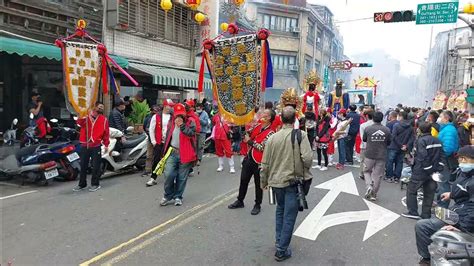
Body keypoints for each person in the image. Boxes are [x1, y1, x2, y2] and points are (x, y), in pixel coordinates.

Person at [260, 106, 313, 262]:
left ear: (281, 119)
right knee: (289, 216)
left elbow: (264, 165)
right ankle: (281, 250)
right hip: (293, 182)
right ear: (295, 118)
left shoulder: (272, 138)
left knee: (280, 210)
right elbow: (308, 159)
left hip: (276, 183)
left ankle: (279, 241)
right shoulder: (301, 135)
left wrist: (264, 182)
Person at [414, 145, 474, 266]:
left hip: (466, 220)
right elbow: (463, 190)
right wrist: (451, 194)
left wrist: (462, 228)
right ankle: (427, 259)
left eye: (466, 159)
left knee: (424, 226)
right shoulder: (462, 172)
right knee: (425, 222)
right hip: (456, 212)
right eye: (460, 158)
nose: (462, 162)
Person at [228, 109, 275, 215]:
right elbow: (247, 134)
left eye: (265, 114)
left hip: (259, 162)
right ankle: (240, 200)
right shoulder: (257, 126)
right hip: (249, 158)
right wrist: (242, 123)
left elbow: (262, 148)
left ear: (269, 118)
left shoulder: (271, 133)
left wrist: (249, 141)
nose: (262, 115)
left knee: (259, 185)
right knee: (243, 180)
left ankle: (257, 204)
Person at [402, 122, 443, 220]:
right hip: (434, 171)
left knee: (411, 190)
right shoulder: (437, 140)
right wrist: (437, 169)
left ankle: (413, 212)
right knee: (429, 193)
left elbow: (422, 157)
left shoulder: (421, 141)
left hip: (421, 171)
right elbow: (441, 156)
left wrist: (428, 169)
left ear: (420, 130)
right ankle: (426, 214)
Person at [160, 103, 197, 206]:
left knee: (182, 177)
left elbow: (191, 134)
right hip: (172, 152)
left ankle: (178, 197)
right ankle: (168, 195)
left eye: (182, 114)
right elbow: (167, 137)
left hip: (186, 153)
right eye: (178, 114)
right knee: (168, 174)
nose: (180, 116)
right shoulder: (171, 122)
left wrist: (182, 125)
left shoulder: (190, 121)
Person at [73, 102, 110, 192]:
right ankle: (82, 184)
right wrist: (81, 114)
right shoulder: (86, 116)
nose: (101, 109)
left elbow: (106, 133)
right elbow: (79, 122)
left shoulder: (104, 119)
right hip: (85, 144)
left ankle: (95, 184)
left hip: (96, 145)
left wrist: (106, 144)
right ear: (95, 107)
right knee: (83, 165)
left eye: (102, 107)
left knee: (96, 166)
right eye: (100, 107)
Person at [362, 112, 391, 201]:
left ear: (373, 119)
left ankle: (369, 186)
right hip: (381, 155)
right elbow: (389, 142)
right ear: (382, 119)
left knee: (366, 171)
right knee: (378, 175)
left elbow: (364, 139)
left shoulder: (368, 129)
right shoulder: (387, 130)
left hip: (369, 154)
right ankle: (374, 194)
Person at [146, 99, 174, 187]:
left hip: (169, 142)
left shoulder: (173, 117)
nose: (171, 108)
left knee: (169, 161)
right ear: (165, 106)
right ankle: (153, 178)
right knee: (156, 160)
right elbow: (151, 129)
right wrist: (153, 141)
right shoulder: (156, 116)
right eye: (170, 106)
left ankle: (170, 179)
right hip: (158, 142)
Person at [436, 110, 460, 208]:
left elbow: (448, 148)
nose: (439, 119)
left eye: (441, 116)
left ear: (446, 118)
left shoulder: (449, 130)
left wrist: (439, 157)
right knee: (440, 183)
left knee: (443, 184)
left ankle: (442, 207)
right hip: (443, 160)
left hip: (445, 161)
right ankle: (440, 204)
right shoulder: (446, 129)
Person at [386, 111, 415, 183]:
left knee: (390, 161)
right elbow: (412, 138)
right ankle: (397, 177)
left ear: (401, 116)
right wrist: (406, 146)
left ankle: (389, 176)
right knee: (399, 162)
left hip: (394, 146)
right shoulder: (410, 127)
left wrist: (400, 145)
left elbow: (394, 136)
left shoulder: (396, 125)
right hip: (404, 147)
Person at [142, 105, 159, 177]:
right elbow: (145, 127)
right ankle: (147, 170)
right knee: (149, 155)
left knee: (158, 155)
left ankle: (158, 169)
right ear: (151, 111)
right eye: (154, 111)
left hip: (159, 139)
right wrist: (150, 135)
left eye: (157, 111)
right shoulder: (148, 117)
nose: (155, 112)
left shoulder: (160, 117)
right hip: (150, 139)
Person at [359, 110, 374, 179]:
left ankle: (362, 174)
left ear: (367, 116)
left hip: (364, 146)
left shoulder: (363, 125)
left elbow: (363, 138)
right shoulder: (376, 125)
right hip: (374, 146)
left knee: (363, 160)